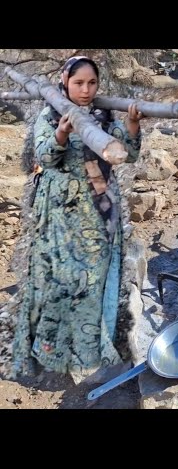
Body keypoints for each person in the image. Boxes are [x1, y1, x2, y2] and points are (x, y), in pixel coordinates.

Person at [11, 56, 144, 380]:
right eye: (79, 83)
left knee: (96, 280)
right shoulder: (51, 113)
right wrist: (60, 134)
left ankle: (92, 348)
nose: (86, 90)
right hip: (62, 212)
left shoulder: (103, 115)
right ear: (65, 83)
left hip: (101, 211)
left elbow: (127, 153)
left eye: (92, 83)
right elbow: (42, 156)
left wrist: (132, 127)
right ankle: (55, 350)